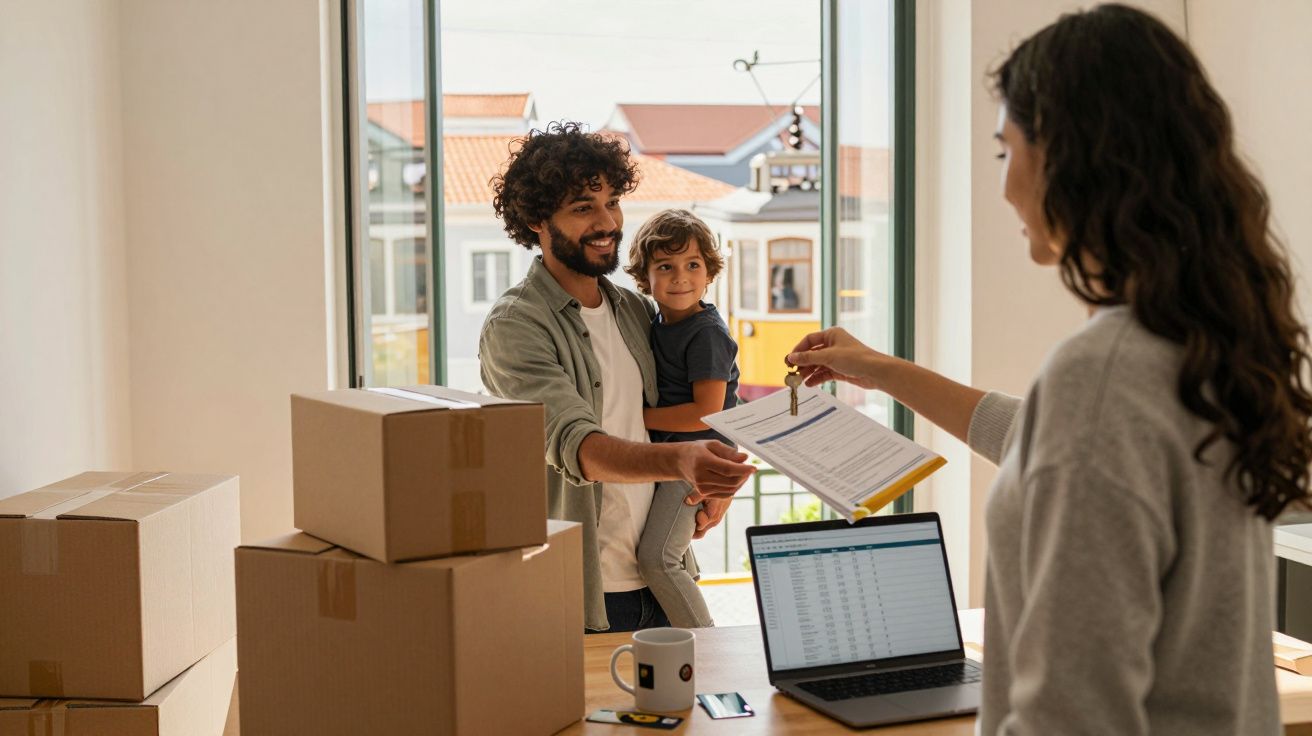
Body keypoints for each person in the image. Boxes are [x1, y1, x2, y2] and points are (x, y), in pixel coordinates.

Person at [786, 5, 1312, 734]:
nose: (1005, 187)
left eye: (1006, 150)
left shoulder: (1102, 377)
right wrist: (881, 369)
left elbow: (1070, 713)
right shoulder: (1198, 349)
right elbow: (1039, 440)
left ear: (1071, 157)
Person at [479, 122, 755, 633]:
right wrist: (683, 461)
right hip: (587, 596)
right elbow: (576, 445)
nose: (607, 222)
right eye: (583, 207)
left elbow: (708, 398)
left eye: (612, 202)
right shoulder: (516, 326)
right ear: (538, 220)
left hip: (664, 576)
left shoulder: (634, 309)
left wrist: (717, 475)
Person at [621, 208, 741, 628]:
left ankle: (709, 649)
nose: (680, 278)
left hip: (698, 458)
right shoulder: (655, 322)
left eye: (693, 265)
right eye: (665, 267)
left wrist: (638, 418)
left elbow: (706, 412)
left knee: (658, 560)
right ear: (645, 276)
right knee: (668, 549)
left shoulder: (706, 333)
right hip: (676, 454)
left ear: (709, 273)